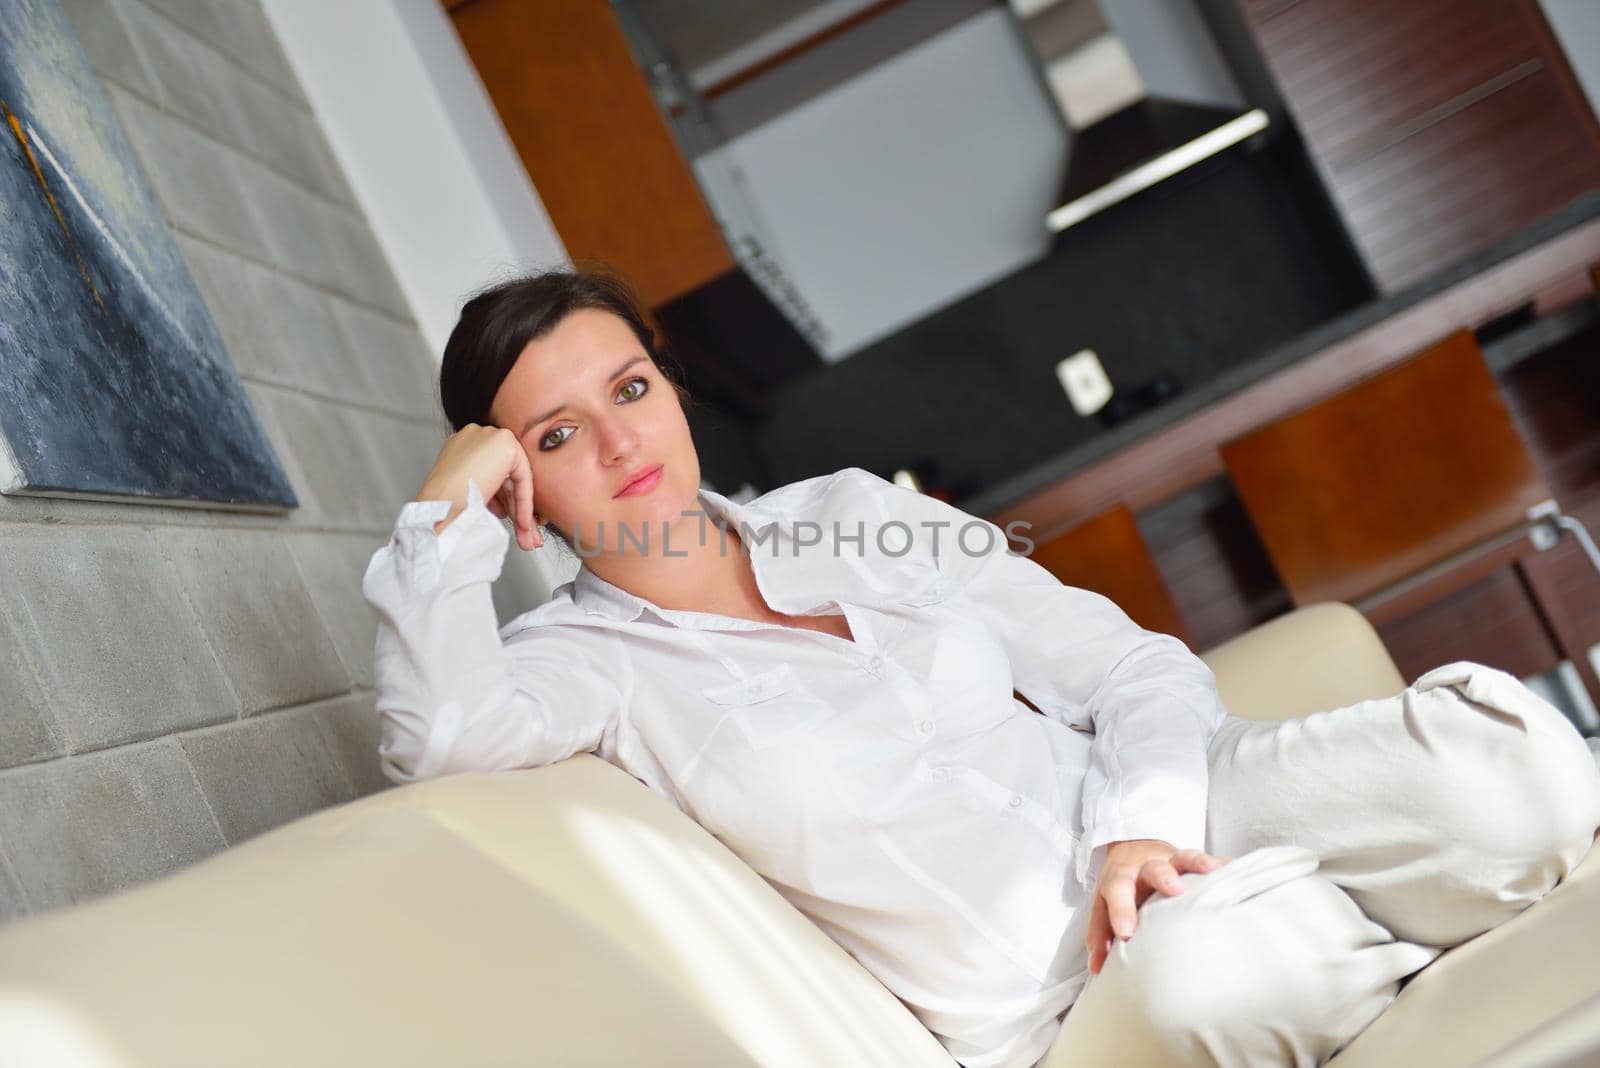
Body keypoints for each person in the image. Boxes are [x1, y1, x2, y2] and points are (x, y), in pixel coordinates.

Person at [362, 268, 1600, 1068]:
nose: (624, 440)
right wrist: (442, 524)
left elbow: (1130, 671)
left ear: (673, 389)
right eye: (561, 434)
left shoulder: (848, 510)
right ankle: (1370, 904)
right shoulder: (580, 669)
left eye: (631, 387)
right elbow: (439, 739)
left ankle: (1343, 898)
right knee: (1222, 977)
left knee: (1511, 770)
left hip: (1175, 813)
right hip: (1067, 994)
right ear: (525, 491)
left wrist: (1139, 827)